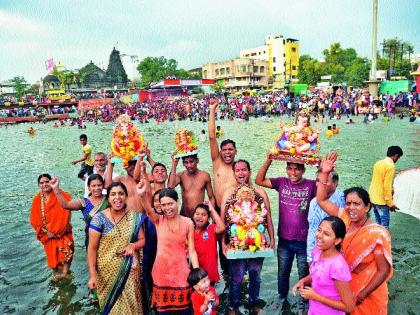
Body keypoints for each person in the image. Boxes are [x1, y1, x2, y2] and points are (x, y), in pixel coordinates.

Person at [317, 152, 393, 314]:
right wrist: (324, 172)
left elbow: (383, 270)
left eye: (357, 204)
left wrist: (362, 295)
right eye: (348, 203)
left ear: (367, 207)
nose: (351, 207)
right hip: (345, 285)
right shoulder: (344, 217)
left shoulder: (377, 234)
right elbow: (321, 200)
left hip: (368, 292)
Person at [255, 156, 316, 310]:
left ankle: (305, 302)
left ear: (303, 170)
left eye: (297, 169)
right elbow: (259, 180)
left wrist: (321, 166)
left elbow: (326, 188)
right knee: (283, 273)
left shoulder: (311, 185)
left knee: (304, 274)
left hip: (304, 240)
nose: (293, 172)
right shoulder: (281, 182)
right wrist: (269, 159)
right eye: (290, 168)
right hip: (284, 239)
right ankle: (282, 298)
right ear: (286, 169)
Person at [221, 160, 275, 314]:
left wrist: (272, 239)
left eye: (244, 170)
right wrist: (223, 243)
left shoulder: (260, 192)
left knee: (255, 275)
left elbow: (268, 218)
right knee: (236, 277)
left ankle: (254, 303)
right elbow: (223, 220)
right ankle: (234, 305)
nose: (241, 173)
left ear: (250, 172)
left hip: (257, 242)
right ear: (233, 173)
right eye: (237, 170)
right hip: (236, 242)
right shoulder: (228, 193)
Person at [137, 181, 199, 314]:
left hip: (181, 273)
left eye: (170, 203)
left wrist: (197, 271)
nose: (167, 208)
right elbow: (148, 209)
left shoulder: (188, 223)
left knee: (184, 310)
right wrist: (142, 195)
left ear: (177, 202)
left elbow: (192, 251)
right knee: (163, 312)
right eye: (163, 205)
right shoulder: (158, 220)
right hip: (161, 274)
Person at [87, 182, 145, 314]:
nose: (117, 198)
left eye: (121, 194)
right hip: (105, 271)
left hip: (129, 269)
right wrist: (92, 275)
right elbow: (92, 249)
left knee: (132, 305)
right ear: (108, 198)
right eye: (113, 194)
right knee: (111, 306)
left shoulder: (134, 217)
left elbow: (143, 240)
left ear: (126, 197)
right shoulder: (99, 219)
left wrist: (133, 245)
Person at [293, 216, 355, 314]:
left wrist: (315, 296)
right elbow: (317, 273)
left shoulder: (338, 266)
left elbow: (349, 307)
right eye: (319, 230)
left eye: (326, 234)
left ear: (337, 240)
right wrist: (303, 280)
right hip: (314, 310)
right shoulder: (317, 251)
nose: (319, 235)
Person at [209, 100, 238, 272]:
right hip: (218, 210)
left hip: (235, 212)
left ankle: (238, 274)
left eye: (230, 149)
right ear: (220, 152)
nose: (227, 152)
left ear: (235, 151)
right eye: (224, 149)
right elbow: (212, 136)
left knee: (237, 243)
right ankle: (225, 275)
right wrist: (212, 110)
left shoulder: (239, 168)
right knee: (221, 248)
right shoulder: (216, 162)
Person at [30, 174, 74, 280]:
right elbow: (34, 220)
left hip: (63, 232)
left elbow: (67, 207)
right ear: (38, 185)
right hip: (48, 234)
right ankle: (55, 273)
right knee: (52, 256)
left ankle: (65, 273)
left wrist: (66, 224)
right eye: (42, 182)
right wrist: (45, 232)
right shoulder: (37, 200)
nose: (44, 184)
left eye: (46, 181)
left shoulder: (60, 194)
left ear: (51, 182)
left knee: (67, 253)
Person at [49, 174, 108, 248]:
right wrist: (56, 189)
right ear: (89, 188)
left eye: (99, 185)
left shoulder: (108, 200)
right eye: (93, 186)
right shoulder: (84, 202)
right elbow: (66, 205)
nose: (97, 188)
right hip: (91, 239)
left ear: (103, 186)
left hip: (109, 237)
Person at [307, 171, 345, 263]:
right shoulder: (313, 202)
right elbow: (312, 231)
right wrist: (309, 256)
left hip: (334, 258)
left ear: (335, 183)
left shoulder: (344, 201)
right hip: (314, 255)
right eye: (318, 181)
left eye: (325, 181)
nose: (321, 184)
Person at [168, 153, 216, 218]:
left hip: (199, 216)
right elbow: (170, 187)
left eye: (191, 161)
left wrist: (212, 216)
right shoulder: (181, 175)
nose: (189, 165)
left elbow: (211, 198)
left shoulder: (205, 176)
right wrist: (174, 165)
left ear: (197, 161)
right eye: (186, 162)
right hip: (184, 215)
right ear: (183, 164)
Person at [368, 146, 403, 229]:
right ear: (395, 155)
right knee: (384, 227)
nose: (398, 159)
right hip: (382, 201)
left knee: (377, 224)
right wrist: (390, 203)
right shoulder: (390, 166)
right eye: (398, 157)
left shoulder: (378, 163)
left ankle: (375, 240)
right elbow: (386, 186)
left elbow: (377, 181)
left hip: (373, 198)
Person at [192, 202, 225, 284]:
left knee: (210, 294)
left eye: (203, 215)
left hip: (209, 274)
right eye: (197, 214)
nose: (199, 216)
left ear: (208, 218)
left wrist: (212, 209)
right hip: (195, 272)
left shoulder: (211, 229)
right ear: (193, 216)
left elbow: (222, 227)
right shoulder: (190, 231)